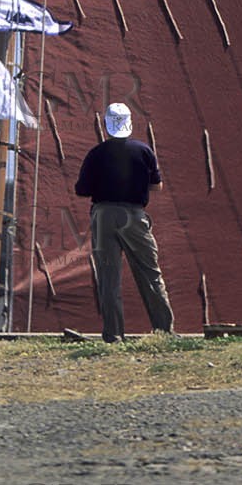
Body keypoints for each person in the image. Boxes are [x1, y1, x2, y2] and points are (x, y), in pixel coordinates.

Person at [74, 102, 174, 342]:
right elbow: (157, 185)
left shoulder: (96, 153)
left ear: (107, 125)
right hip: (134, 216)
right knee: (150, 273)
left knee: (109, 276)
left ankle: (113, 335)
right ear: (130, 123)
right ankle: (164, 331)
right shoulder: (144, 151)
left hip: (103, 216)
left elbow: (81, 190)